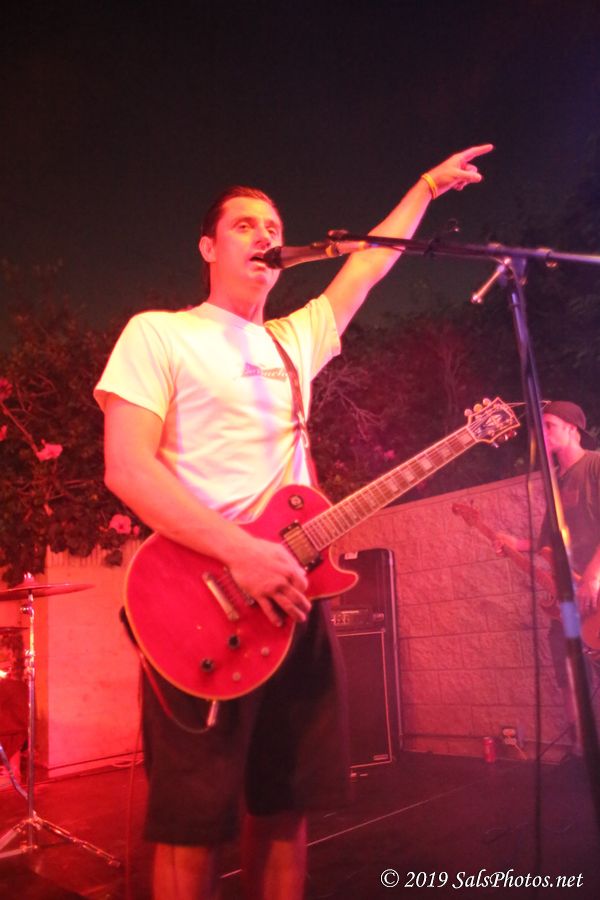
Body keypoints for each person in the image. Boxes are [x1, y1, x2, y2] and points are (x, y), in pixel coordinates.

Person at [94, 144, 493, 900]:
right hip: (200, 598)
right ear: (208, 248)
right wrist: (238, 553)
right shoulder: (160, 333)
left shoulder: (292, 339)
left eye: (273, 226)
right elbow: (128, 468)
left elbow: (368, 267)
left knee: (287, 808)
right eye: (244, 225)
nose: (264, 235)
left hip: (293, 598)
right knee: (192, 823)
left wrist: (425, 187)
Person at [495, 401, 600, 751]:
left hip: (594, 589)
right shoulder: (555, 481)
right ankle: (582, 752)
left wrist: (593, 578)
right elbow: (548, 544)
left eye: (550, 425)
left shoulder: (595, 465)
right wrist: (515, 544)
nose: (542, 432)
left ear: (573, 428)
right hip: (568, 601)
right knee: (570, 675)